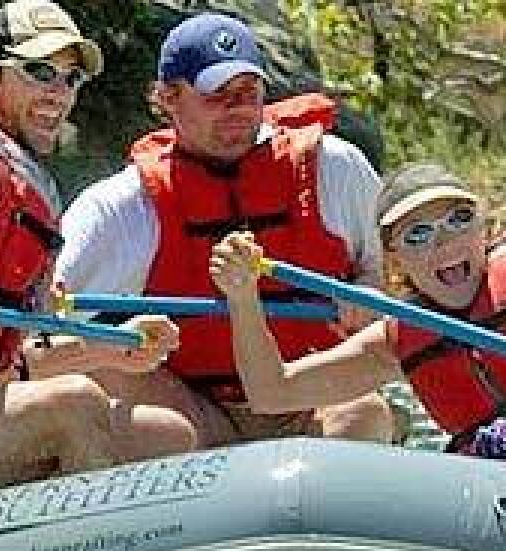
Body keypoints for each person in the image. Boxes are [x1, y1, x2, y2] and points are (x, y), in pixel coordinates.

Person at [209, 163, 506, 487]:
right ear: (397, 263)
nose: (443, 244)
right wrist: (242, 299)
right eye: (418, 234)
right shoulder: (397, 339)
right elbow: (273, 392)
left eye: (458, 220)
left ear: (484, 231)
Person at [51, 12, 402, 450]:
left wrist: (364, 292)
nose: (237, 110)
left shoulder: (335, 168)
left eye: (248, 93)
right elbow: (50, 316)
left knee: (362, 413)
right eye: (217, 95)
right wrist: (117, 344)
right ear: (168, 98)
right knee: (113, 385)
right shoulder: (121, 207)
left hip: (308, 396)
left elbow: (391, 276)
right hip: (191, 409)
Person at [0, 0, 184, 495]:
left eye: (71, 79)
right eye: (39, 72)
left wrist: (110, 348)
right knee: (74, 407)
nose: (59, 93)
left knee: (164, 435)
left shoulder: (36, 192)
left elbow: (16, 360)